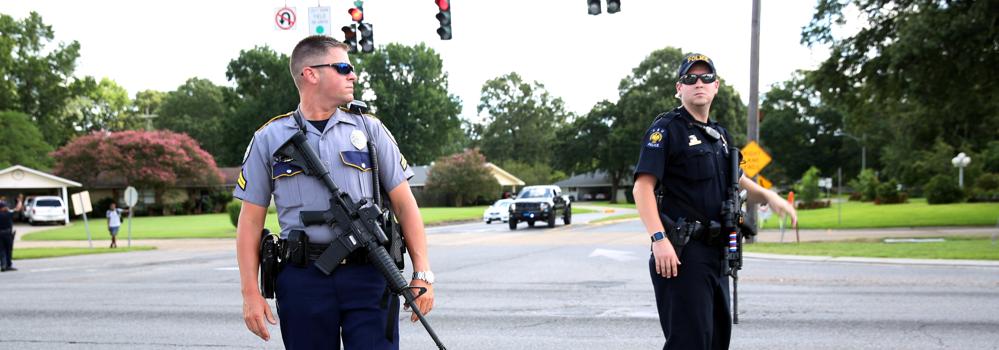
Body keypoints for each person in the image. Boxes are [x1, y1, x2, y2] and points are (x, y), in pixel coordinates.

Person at [234, 35, 434, 349]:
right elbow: (249, 222)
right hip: (302, 278)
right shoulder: (269, 138)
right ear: (310, 74)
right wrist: (250, 293)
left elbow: (405, 205)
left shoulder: (369, 129)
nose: (352, 75)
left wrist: (422, 273)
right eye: (343, 67)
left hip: (369, 272)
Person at [632, 53, 798, 350]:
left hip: (718, 253)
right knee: (689, 343)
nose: (699, 83)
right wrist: (659, 240)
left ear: (716, 86)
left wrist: (771, 196)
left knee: (717, 340)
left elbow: (739, 179)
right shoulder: (666, 130)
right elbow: (642, 188)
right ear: (678, 87)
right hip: (682, 254)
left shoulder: (719, 136)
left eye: (706, 78)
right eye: (690, 78)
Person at [0, 202, 16, 272]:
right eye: (5, 206)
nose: (6, 207)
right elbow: (17, 209)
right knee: (8, 250)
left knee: (2, 250)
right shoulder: (7, 214)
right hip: (7, 234)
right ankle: (8, 265)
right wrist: (20, 201)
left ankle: (3, 265)